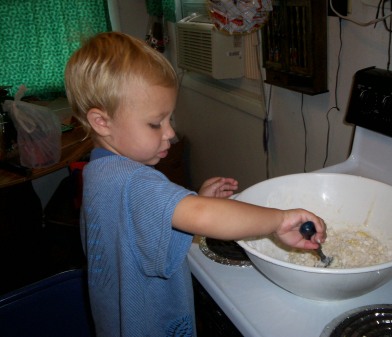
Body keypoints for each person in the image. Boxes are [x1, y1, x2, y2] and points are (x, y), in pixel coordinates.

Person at [64, 32, 327, 337]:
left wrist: (190, 201)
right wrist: (279, 220)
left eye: (169, 119)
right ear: (102, 122)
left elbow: (139, 227)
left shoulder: (98, 171)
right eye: (155, 123)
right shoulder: (131, 181)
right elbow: (200, 214)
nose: (171, 133)